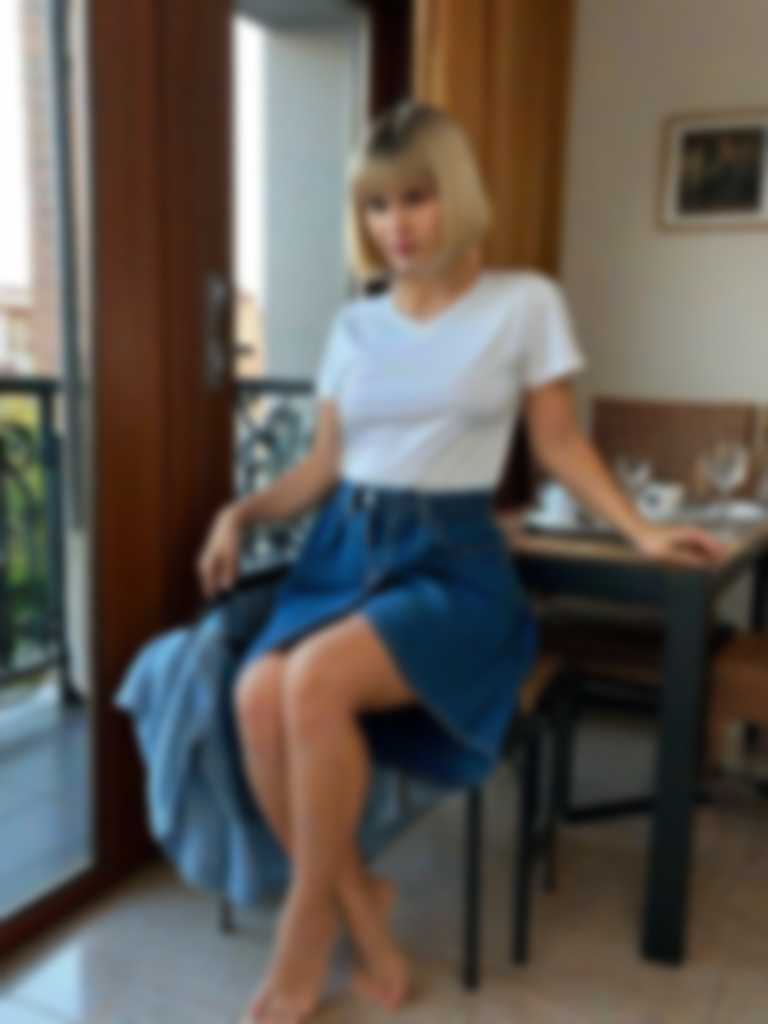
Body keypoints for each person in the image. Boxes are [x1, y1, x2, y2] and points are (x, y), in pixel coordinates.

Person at [196, 100, 730, 1024]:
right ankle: (362, 902)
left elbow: (558, 442)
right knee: (255, 692)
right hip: (344, 550)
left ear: (458, 194)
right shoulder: (354, 326)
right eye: (376, 205)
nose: (395, 224)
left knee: (312, 682)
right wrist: (238, 510)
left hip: (451, 563)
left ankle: (306, 927)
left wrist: (641, 530)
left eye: (416, 197)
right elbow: (322, 468)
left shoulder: (525, 303)